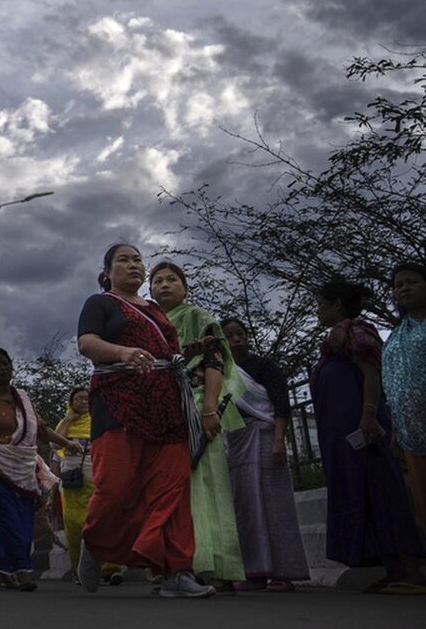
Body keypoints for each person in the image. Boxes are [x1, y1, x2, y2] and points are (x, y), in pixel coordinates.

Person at [76, 244, 213, 598]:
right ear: (107, 272)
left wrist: (188, 354)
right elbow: (87, 344)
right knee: (116, 486)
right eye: (123, 260)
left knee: (171, 491)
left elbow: (168, 355)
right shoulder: (101, 303)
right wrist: (122, 352)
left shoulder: (155, 311)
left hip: (166, 406)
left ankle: (176, 572)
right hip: (119, 403)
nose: (133, 264)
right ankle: (95, 543)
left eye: (137, 259)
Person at [311, 277, 426, 594]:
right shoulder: (335, 338)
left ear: (337, 304)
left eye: (321, 304)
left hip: (362, 428)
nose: (318, 310)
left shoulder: (356, 332)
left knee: (382, 491)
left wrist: (369, 414)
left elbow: (371, 373)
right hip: (342, 433)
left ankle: (411, 571)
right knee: (362, 494)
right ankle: (393, 570)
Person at [150, 262, 247, 590]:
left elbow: (213, 361)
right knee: (174, 489)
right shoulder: (152, 324)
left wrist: (208, 410)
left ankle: (214, 564)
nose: (165, 285)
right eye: (158, 281)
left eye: (172, 279)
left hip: (196, 407)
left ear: (185, 288)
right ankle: (181, 566)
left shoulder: (196, 316)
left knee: (206, 485)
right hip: (165, 414)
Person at [0, 347, 77, 592]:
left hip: (23, 468)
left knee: (24, 521)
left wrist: (67, 443)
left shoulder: (22, 399)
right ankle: (23, 571)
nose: (3, 368)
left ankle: (4, 571)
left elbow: (41, 430)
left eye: (6, 364)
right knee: (6, 519)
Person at [219, 318, 310, 591]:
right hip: (237, 439)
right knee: (245, 505)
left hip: (266, 435)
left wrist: (279, 440)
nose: (236, 339)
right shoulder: (221, 373)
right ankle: (253, 572)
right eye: (229, 336)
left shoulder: (265, 367)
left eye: (240, 333)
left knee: (274, 503)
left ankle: (284, 572)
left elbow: (281, 404)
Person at [54, 387, 123, 587]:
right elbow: (55, 445)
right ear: (71, 403)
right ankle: (79, 571)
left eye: (86, 398)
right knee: (74, 527)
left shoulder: (99, 419)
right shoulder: (65, 422)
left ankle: (110, 569)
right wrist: (68, 420)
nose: (84, 401)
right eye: (78, 398)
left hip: (97, 477)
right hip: (72, 482)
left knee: (102, 521)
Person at [383, 261, 426, 533]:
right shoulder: (395, 337)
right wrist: (397, 426)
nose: (404, 288)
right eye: (398, 285)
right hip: (413, 435)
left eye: (412, 282)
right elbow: (391, 386)